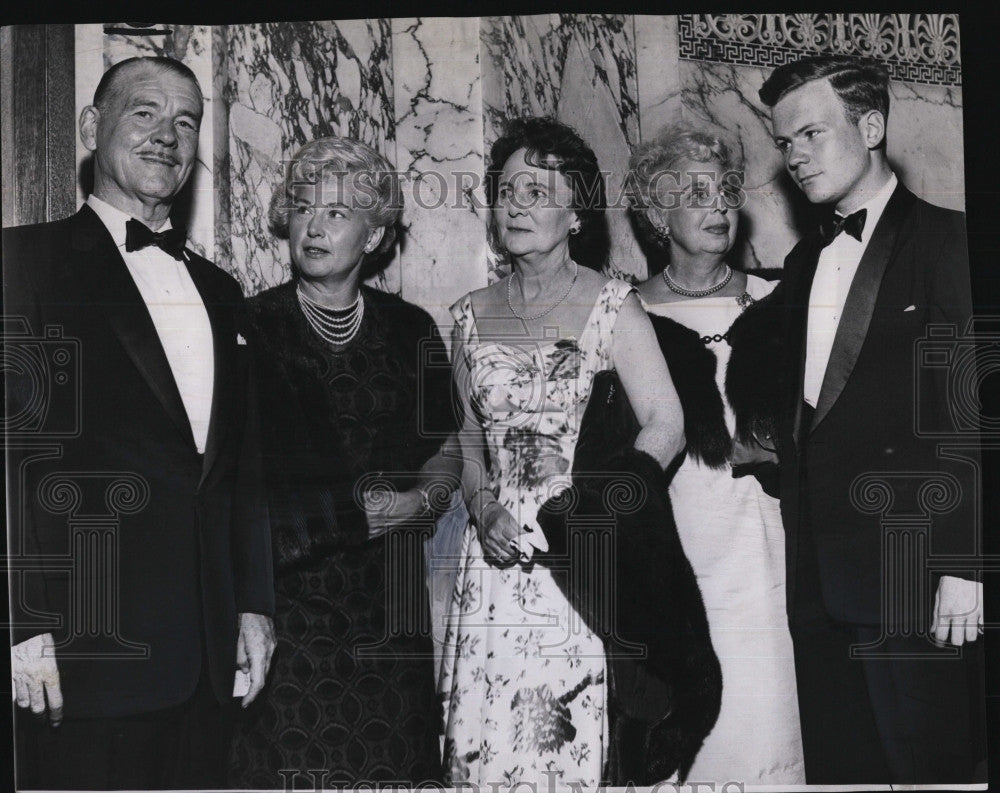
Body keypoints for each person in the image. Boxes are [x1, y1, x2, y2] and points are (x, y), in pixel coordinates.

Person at [4, 56, 275, 790]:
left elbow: (239, 468)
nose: (168, 135)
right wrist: (18, 621)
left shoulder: (221, 290)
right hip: (78, 656)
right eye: (145, 112)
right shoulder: (21, 262)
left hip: (207, 663)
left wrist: (252, 604)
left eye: (186, 121)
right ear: (93, 128)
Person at [438, 116, 686, 786]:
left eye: (537, 192)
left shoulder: (612, 306)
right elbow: (464, 435)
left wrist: (609, 504)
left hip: (577, 556)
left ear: (575, 212)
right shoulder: (466, 314)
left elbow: (666, 423)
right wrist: (482, 502)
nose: (517, 205)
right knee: (487, 753)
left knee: (563, 747)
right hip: (491, 565)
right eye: (507, 190)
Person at [759, 55, 986, 783]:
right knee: (840, 772)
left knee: (930, 770)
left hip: (911, 571)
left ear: (873, 126)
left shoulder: (950, 243)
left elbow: (975, 414)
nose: (794, 156)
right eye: (784, 142)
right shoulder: (802, 263)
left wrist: (966, 562)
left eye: (811, 134)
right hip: (820, 579)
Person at [228, 136, 460, 787]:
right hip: (290, 598)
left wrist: (419, 504)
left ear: (376, 233)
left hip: (389, 599)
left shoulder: (410, 329)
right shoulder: (249, 326)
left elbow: (444, 447)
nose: (314, 225)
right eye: (303, 207)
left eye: (336, 212)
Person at [628, 124, 805, 783]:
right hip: (674, 552)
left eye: (727, 190)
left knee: (767, 722)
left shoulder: (781, 302)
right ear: (654, 213)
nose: (718, 205)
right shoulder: (624, 316)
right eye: (695, 192)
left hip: (769, 554)